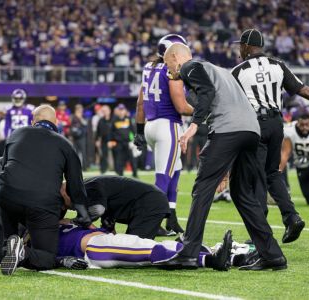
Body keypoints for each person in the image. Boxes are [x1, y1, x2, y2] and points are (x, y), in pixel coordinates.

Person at [160, 43, 285, 271]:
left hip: (228, 130)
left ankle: (188, 253)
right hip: (251, 131)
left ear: (177, 57)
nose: (169, 70)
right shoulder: (220, 70)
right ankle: (272, 255)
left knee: (203, 188)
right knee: (242, 194)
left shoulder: (190, 66)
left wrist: (193, 126)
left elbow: (206, 92)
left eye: (168, 63)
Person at [231, 29, 309, 242]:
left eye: (240, 46)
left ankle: (260, 234)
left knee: (257, 177)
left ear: (245, 46)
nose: (239, 50)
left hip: (256, 124)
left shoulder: (239, 70)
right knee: (272, 173)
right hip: (277, 123)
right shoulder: (278, 65)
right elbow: (304, 90)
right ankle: (291, 217)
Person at [0, 105, 90, 275]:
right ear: (56, 122)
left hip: (7, 197)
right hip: (41, 204)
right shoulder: (65, 144)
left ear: (34, 121)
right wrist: (83, 214)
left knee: (8, 241)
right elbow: (75, 184)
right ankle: (23, 252)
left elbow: (4, 168)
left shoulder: (16, 134)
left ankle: (8, 245)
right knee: (46, 257)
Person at [134, 34, 194, 236]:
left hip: (151, 125)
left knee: (174, 170)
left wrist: (139, 131)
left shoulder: (148, 67)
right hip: (168, 126)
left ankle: (171, 217)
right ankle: (152, 221)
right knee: (163, 177)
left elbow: (140, 103)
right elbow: (181, 106)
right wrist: (204, 109)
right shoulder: (171, 70)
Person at [55, 222, 234, 271]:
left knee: (167, 245)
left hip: (105, 240)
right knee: (151, 249)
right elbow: (39, 255)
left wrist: (107, 227)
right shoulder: (35, 235)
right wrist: (61, 261)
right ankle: (211, 261)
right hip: (94, 248)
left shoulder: (62, 221)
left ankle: (233, 257)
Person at [62, 175, 170, 239]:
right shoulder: (84, 187)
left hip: (150, 203)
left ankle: (177, 249)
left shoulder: (88, 187)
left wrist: (72, 222)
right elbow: (108, 215)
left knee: (133, 250)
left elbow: (98, 209)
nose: (66, 208)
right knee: (125, 247)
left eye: (63, 203)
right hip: (146, 203)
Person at [108, 104, 137, 177]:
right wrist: (111, 141)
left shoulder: (128, 119)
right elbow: (111, 132)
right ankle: (119, 174)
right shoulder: (114, 120)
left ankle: (135, 173)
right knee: (119, 159)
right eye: (120, 110)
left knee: (132, 158)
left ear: (125, 111)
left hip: (127, 142)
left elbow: (133, 130)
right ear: (118, 111)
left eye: (122, 110)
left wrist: (134, 140)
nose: (121, 112)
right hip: (118, 143)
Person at [70, 104, 88, 169]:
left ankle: (85, 167)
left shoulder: (83, 116)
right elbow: (71, 126)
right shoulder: (73, 116)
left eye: (80, 109)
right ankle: (77, 166)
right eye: (78, 109)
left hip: (82, 137)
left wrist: (80, 118)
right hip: (75, 136)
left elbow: (85, 124)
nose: (80, 110)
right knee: (76, 152)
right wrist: (71, 135)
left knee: (83, 152)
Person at [96, 105, 112, 174]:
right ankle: (103, 170)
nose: (104, 112)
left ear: (109, 111)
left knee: (116, 155)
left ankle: (116, 169)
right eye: (103, 111)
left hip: (113, 140)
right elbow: (98, 132)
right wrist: (97, 140)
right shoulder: (101, 120)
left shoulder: (113, 119)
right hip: (104, 140)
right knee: (103, 156)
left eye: (106, 111)